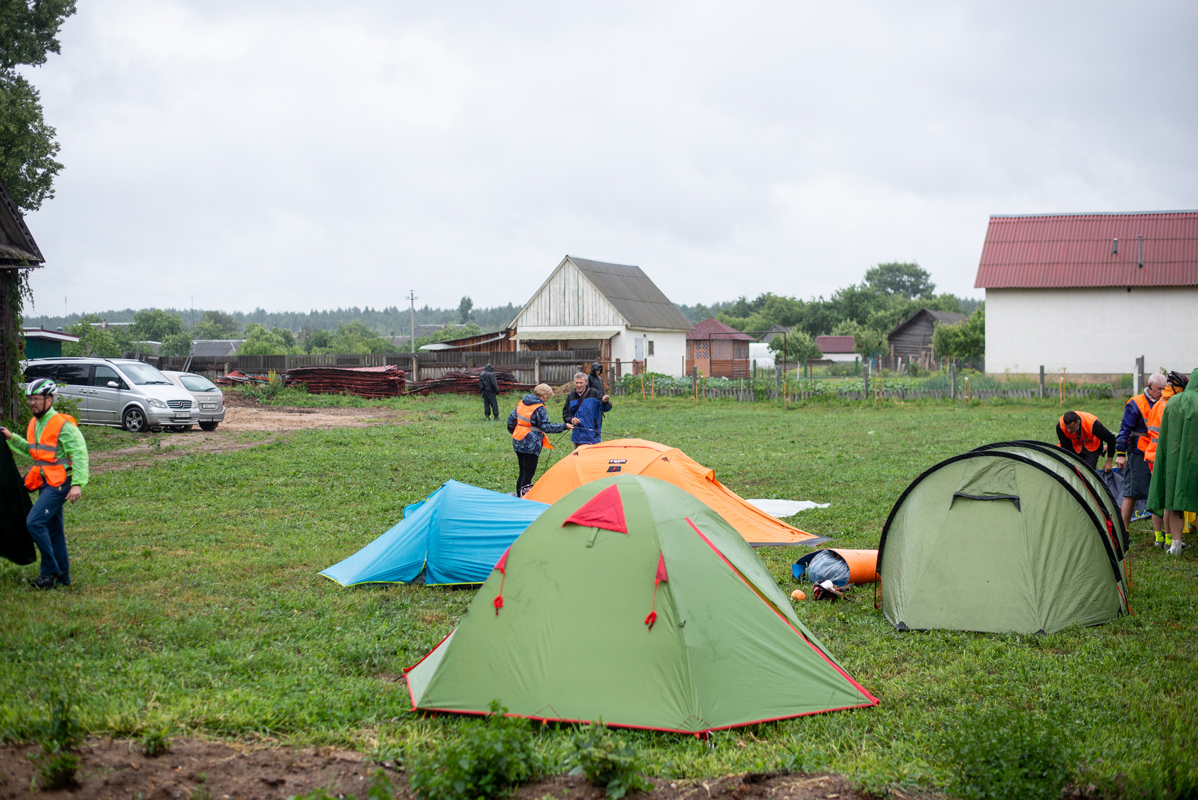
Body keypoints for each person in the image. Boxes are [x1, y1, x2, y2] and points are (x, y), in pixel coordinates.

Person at [0, 379, 89, 589]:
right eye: (30, 399)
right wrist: (12, 438)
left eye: (37, 399)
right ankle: (63, 578)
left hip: (60, 483)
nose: (32, 403)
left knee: (34, 522)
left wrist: (77, 484)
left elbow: (80, 453)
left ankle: (50, 570)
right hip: (45, 481)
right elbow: (34, 452)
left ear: (49, 399)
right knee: (54, 530)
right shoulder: (35, 423)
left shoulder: (62, 425)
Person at [1147, 368, 1197, 556]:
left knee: (1167, 498)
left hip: (1161, 456)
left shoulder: (1165, 402)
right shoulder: (1169, 403)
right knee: (1172, 499)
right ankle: (1167, 539)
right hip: (1173, 457)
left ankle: (1167, 540)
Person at [1115, 373, 1166, 535]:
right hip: (1138, 454)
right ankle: (1124, 530)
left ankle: (1160, 533)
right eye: (1159, 389)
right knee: (1132, 493)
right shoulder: (1136, 403)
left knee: (1158, 493)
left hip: (1158, 455)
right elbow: (1125, 430)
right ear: (1149, 386)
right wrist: (1121, 453)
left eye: (1164, 389)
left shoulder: (1165, 402)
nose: (1162, 392)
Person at [507, 383, 573, 497]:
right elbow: (546, 427)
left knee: (522, 472)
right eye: (547, 397)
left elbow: (510, 421)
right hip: (531, 444)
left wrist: (518, 432)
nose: (547, 399)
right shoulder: (539, 407)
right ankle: (524, 498)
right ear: (543, 395)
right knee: (528, 474)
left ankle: (518, 496)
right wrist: (564, 426)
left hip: (518, 440)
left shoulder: (522, 403)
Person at [563, 372, 611, 449]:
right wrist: (571, 420)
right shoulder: (570, 396)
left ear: (586, 382)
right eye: (576, 383)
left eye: (581, 383)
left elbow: (606, 408)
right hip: (578, 436)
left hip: (593, 435)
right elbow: (566, 414)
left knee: (593, 459)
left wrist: (605, 402)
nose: (578, 385)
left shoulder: (595, 393)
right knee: (579, 459)